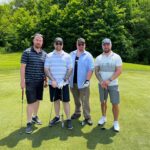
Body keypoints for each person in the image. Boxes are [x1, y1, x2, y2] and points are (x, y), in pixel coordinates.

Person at [20, 33, 47, 134]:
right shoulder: (26, 52)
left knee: (37, 100)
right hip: (30, 81)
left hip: (40, 81)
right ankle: (28, 122)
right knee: (31, 102)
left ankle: (35, 116)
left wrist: (45, 80)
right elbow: (22, 68)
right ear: (33, 41)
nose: (38, 42)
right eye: (37, 40)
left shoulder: (44, 54)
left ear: (42, 42)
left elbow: (44, 68)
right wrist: (22, 81)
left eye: (40, 40)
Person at [44, 37, 73, 129]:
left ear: (62, 45)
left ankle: (68, 119)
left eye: (60, 43)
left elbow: (70, 69)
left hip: (63, 83)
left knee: (66, 101)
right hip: (53, 83)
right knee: (56, 100)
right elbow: (46, 69)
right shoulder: (49, 55)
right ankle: (57, 117)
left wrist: (64, 80)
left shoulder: (67, 56)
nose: (58, 45)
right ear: (54, 44)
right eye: (57, 43)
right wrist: (52, 80)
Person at [95, 38, 122, 132]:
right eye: (104, 44)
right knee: (103, 102)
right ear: (102, 46)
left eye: (108, 44)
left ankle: (115, 122)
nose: (106, 46)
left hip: (113, 84)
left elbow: (119, 71)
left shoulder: (117, 57)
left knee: (115, 103)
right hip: (102, 84)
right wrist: (102, 81)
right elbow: (96, 71)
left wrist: (109, 80)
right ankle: (103, 117)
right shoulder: (98, 58)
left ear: (111, 45)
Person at [70, 38, 94, 125]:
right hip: (72, 82)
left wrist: (87, 80)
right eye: (79, 44)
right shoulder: (72, 54)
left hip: (83, 83)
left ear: (85, 45)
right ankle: (77, 112)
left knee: (85, 100)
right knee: (76, 99)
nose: (81, 46)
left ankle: (87, 117)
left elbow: (91, 69)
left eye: (82, 44)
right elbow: (68, 67)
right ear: (76, 44)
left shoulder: (88, 55)